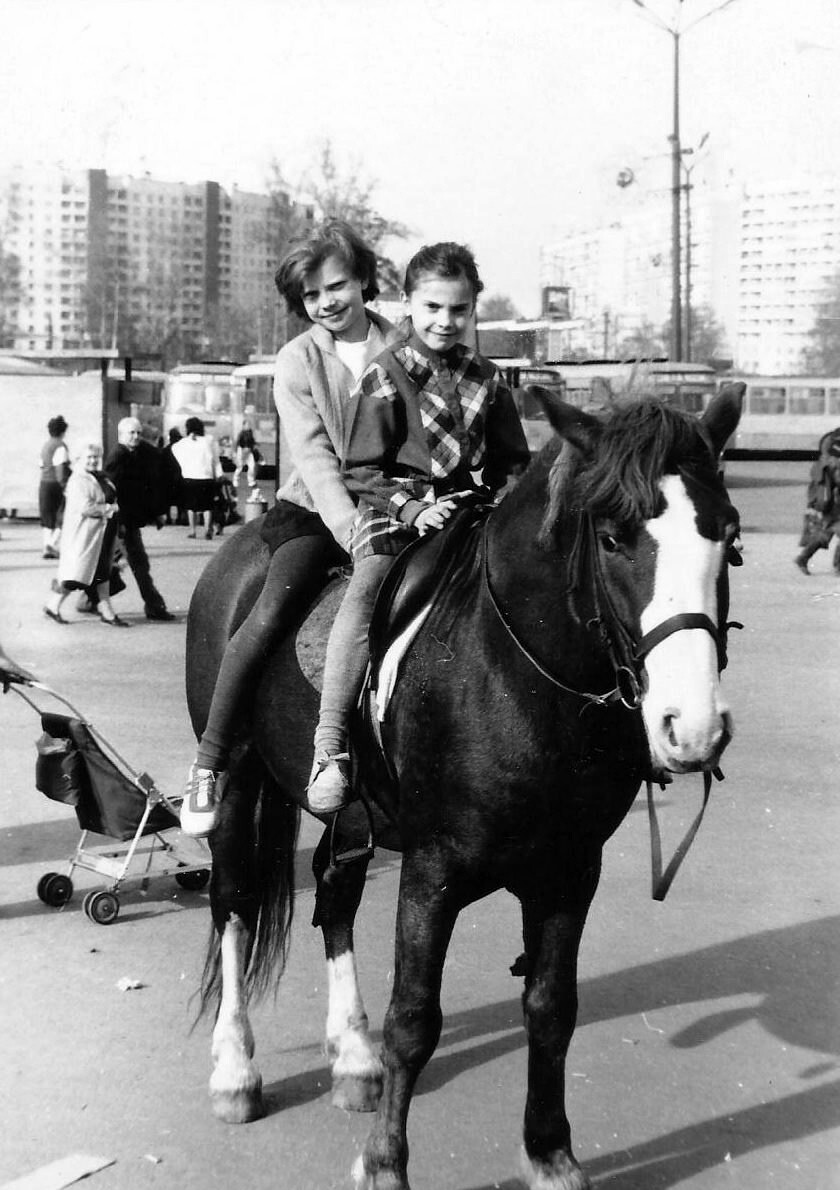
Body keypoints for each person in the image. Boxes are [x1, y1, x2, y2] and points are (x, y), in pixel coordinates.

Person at [180, 219, 395, 837]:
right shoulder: (297, 359)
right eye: (311, 295)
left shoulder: (401, 344)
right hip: (318, 510)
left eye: (338, 286)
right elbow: (312, 453)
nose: (327, 302)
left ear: (363, 281)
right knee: (271, 612)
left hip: (393, 502)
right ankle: (210, 761)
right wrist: (350, 525)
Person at [306, 241, 531, 813]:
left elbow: (513, 461)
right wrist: (410, 512)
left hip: (466, 509)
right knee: (366, 593)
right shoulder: (386, 374)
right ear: (408, 303)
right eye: (432, 307)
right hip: (394, 514)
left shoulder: (489, 376)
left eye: (459, 310)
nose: (445, 321)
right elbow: (360, 471)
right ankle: (330, 744)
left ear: (473, 309)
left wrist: (505, 497)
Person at [43, 443, 126, 626]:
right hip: (85, 537)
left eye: (96, 457)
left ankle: (107, 612)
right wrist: (110, 508)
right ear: (79, 459)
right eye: (89, 457)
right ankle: (52, 605)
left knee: (103, 574)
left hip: (102, 534)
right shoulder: (78, 480)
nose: (93, 460)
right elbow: (85, 508)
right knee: (76, 576)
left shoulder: (99, 476)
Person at [104, 417, 175, 622]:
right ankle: (154, 606)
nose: (136, 437)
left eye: (138, 433)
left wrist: (155, 514)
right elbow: (111, 492)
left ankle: (88, 599)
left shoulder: (134, 453)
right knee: (139, 564)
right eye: (131, 433)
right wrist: (120, 524)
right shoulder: (118, 456)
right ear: (121, 435)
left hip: (127, 522)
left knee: (108, 565)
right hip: (122, 524)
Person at [794, 428, 840, 574]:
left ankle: (804, 557)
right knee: (830, 529)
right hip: (831, 498)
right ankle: (838, 566)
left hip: (827, 496)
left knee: (828, 531)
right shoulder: (836, 446)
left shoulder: (832, 439)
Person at [170, 417, 222, 540]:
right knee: (207, 506)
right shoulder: (209, 441)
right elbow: (215, 459)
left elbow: (174, 449)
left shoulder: (183, 443)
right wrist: (219, 474)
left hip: (190, 477)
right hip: (206, 477)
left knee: (191, 507)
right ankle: (207, 530)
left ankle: (192, 531)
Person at [38, 415, 71, 559]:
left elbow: (41, 465)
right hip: (56, 485)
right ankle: (52, 544)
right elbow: (60, 468)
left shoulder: (45, 445)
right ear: (63, 431)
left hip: (44, 484)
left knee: (47, 516)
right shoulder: (60, 446)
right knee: (61, 516)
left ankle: (47, 545)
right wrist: (65, 486)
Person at [234, 418, 261, 488]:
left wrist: (255, 444)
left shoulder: (250, 433)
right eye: (246, 424)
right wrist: (236, 452)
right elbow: (238, 443)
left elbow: (252, 441)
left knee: (251, 466)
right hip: (242, 451)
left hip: (249, 451)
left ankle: (251, 481)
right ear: (243, 425)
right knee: (240, 467)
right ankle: (235, 479)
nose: (248, 426)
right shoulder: (241, 434)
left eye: (249, 424)